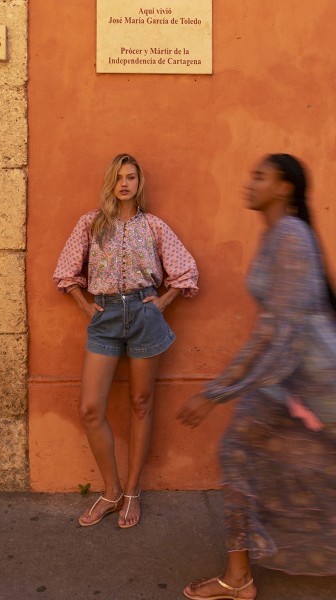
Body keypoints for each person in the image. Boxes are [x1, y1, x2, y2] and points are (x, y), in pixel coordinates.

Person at [177, 154, 336, 599]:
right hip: (293, 377)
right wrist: (219, 389)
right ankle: (238, 575)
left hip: (309, 380)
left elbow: (284, 334)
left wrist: (220, 394)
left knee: (241, 453)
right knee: (278, 462)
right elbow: (268, 329)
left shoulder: (290, 235)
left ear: (284, 187)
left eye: (260, 176)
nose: (250, 183)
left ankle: (239, 578)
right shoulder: (278, 236)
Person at [54, 153, 198, 528]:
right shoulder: (91, 224)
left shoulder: (153, 226)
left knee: (140, 402)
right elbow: (66, 272)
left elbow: (185, 270)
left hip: (144, 315)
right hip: (104, 318)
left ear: (139, 183)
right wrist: (87, 308)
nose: (124, 183)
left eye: (131, 177)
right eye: (118, 177)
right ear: (110, 182)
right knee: (90, 408)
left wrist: (162, 301)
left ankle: (132, 492)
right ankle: (112, 490)